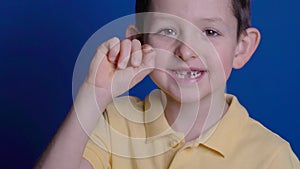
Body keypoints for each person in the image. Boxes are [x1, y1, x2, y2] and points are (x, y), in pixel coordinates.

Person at [35, 0, 300, 168]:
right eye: (168, 31)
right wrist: (94, 94)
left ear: (241, 48)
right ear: (139, 40)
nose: (186, 52)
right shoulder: (114, 123)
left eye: (209, 32)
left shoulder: (272, 157)